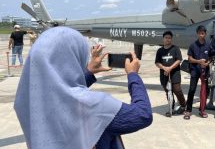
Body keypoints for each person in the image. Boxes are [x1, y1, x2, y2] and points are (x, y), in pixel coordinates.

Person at [14, 27, 153, 149]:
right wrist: (133, 75)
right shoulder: (95, 106)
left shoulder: (26, 101)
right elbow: (142, 115)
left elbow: (62, 96)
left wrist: (88, 72)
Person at [155, 30, 186, 117]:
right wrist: (164, 68)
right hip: (164, 74)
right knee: (168, 91)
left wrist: (170, 68)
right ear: (163, 39)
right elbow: (157, 62)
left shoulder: (175, 48)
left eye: (169, 38)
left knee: (177, 90)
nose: (168, 40)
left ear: (171, 39)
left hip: (175, 73)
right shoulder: (160, 51)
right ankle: (170, 108)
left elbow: (179, 60)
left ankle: (183, 105)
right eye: (166, 38)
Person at [184, 25, 210, 119]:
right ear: (197, 34)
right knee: (192, 89)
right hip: (195, 70)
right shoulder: (193, 45)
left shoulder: (208, 45)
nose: (201, 35)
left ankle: (202, 110)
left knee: (204, 91)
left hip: (205, 71)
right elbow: (190, 59)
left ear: (205, 34)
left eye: (203, 33)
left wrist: (207, 63)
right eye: (199, 33)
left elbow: (211, 58)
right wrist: (199, 61)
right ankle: (188, 110)